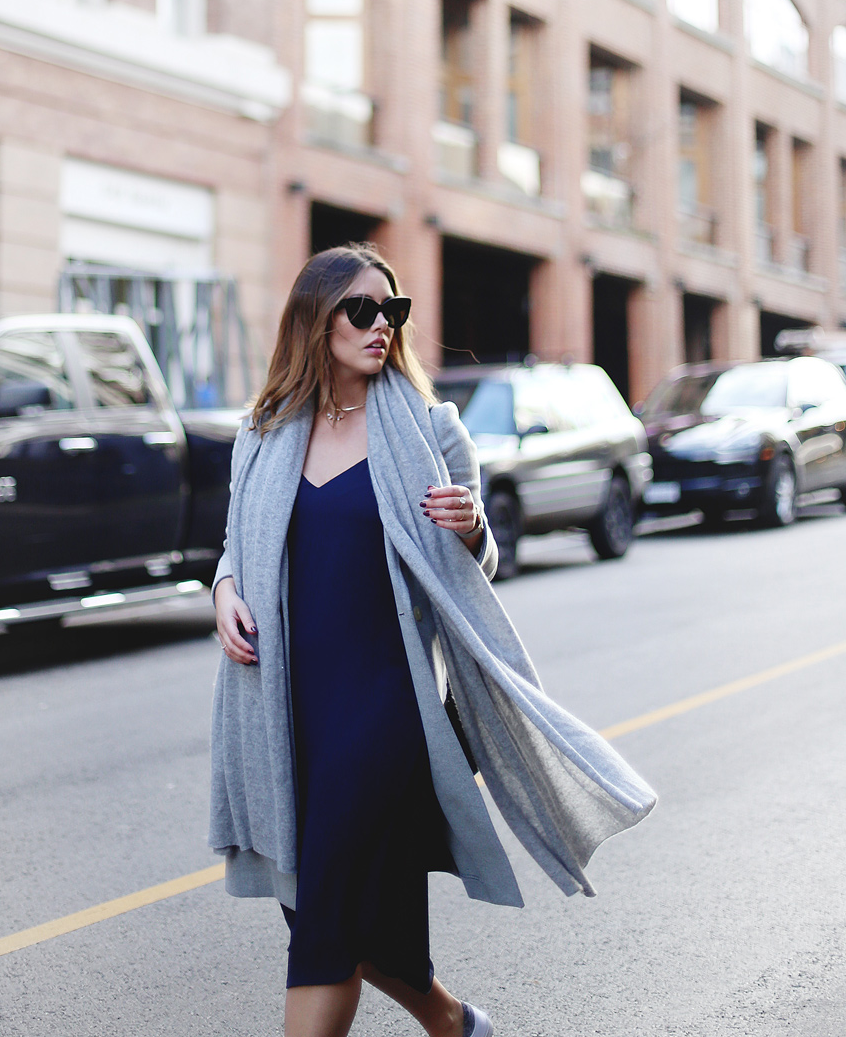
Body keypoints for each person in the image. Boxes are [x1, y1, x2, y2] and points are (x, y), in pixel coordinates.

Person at [210, 244, 656, 1037]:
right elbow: (238, 545)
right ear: (315, 318)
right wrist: (223, 592)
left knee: (323, 922)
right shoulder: (264, 433)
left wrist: (476, 526)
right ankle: (454, 1023)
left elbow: (473, 558)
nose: (381, 325)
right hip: (289, 705)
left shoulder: (427, 429)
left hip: (387, 706)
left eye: (393, 311)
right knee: (328, 908)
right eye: (361, 309)